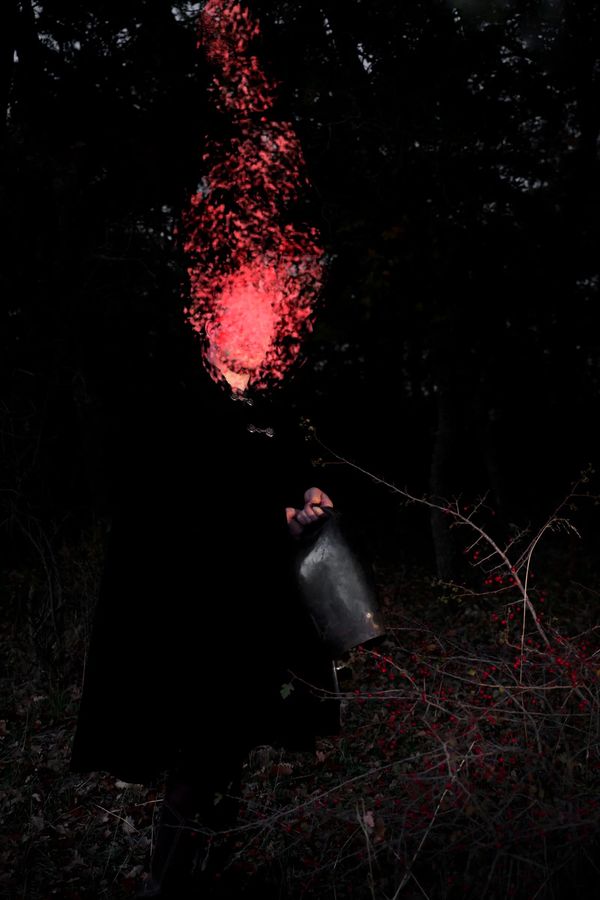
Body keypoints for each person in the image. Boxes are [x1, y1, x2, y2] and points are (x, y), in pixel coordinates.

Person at [70, 324, 340, 897]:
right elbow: (167, 504)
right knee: (197, 753)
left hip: (256, 610)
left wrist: (308, 498)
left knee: (235, 744)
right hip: (188, 615)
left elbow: (287, 476)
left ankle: (211, 871)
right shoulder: (176, 400)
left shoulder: (266, 406)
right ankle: (166, 884)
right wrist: (268, 519)